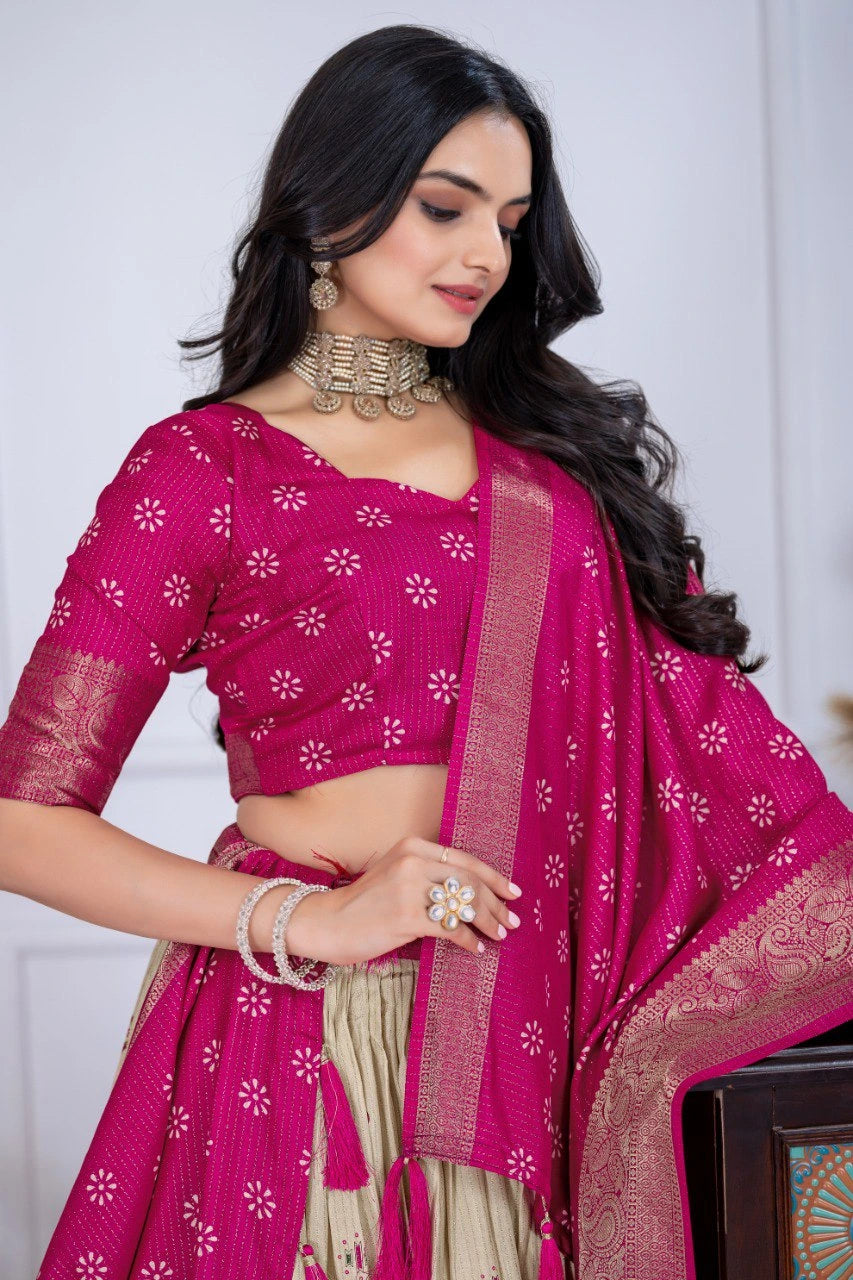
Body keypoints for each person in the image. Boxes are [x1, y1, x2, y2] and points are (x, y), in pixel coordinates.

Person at [1, 23, 851, 1280]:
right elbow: (24, 818)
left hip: (532, 1036)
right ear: (331, 197)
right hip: (303, 1038)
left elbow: (702, 760)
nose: (483, 256)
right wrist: (319, 921)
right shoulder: (200, 473)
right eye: (446, 206)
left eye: (508, 221)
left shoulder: (550, 473)